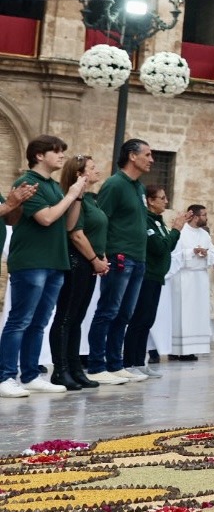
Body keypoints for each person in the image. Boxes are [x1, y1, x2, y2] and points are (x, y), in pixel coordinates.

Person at [1, 136, 86, 397]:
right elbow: (47, 218)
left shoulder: (53, 186)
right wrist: (70, 194)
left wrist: (77, 198)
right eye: (56, 151)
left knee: (39, 322)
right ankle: (5, 377)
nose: (62, 156)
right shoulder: (28, 182)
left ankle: (29, 375)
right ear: (39, 155)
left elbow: (69, 224)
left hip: (54, 260)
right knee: (20, 320)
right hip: (32, 260)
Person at [85, 139, 154, 385]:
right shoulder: (115, 184)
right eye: (147, 154)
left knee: (125, 314)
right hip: (119, 257)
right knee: (108, 311)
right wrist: (101, 253)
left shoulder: (139, 187)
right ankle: (96, 365)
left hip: (139, 258)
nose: (152, 159)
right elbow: (102, 220)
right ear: (132, 156)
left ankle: (116, 364)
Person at [46, 154, 109, 390]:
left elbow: (96, 231)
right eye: (92, 168)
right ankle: (60, 370)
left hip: (90, 263)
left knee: (78, 318)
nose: (97, 172)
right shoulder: (74, 200)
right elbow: (75, 232)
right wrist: (94, 259)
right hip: (77, 262)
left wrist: (102, 256)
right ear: (78, 173)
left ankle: (74, 368)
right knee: (66, 317)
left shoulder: (91, 200)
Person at [122, 186, 188, 378]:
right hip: (146, 275)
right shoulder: (147, 221)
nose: (165, 202)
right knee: (138, 319)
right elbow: (159, 247)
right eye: (162, 198)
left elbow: (168, 245)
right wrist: (175, 230)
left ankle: (138, 362)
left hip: (156, 277)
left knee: (147, 320)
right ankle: (129, 362)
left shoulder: (158, 222)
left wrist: (174, 232)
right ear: (150, 201)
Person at [167, 204, 214, 361]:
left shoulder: (205, 235)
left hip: (199, 278)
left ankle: (192, 349)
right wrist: (192, 252)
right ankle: (175, 349)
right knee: (181, 314)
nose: (206, 218)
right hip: (183, 278)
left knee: (196, 315)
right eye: (204, 215)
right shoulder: (181, 232)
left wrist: (206, 254)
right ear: (195, 216)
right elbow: (173, 255)